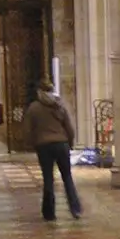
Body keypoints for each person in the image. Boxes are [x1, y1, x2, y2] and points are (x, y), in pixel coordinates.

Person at [24, 78, 82, 220]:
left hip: (44, 146)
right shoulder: (59, 105)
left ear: (39, 92)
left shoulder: (34, 108)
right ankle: (75, 209)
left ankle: (49, 213)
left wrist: (32, 143)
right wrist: (70, 142)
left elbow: (27, 129)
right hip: (61, 144)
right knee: (67, 176)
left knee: (48, 179)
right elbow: (69, 127)